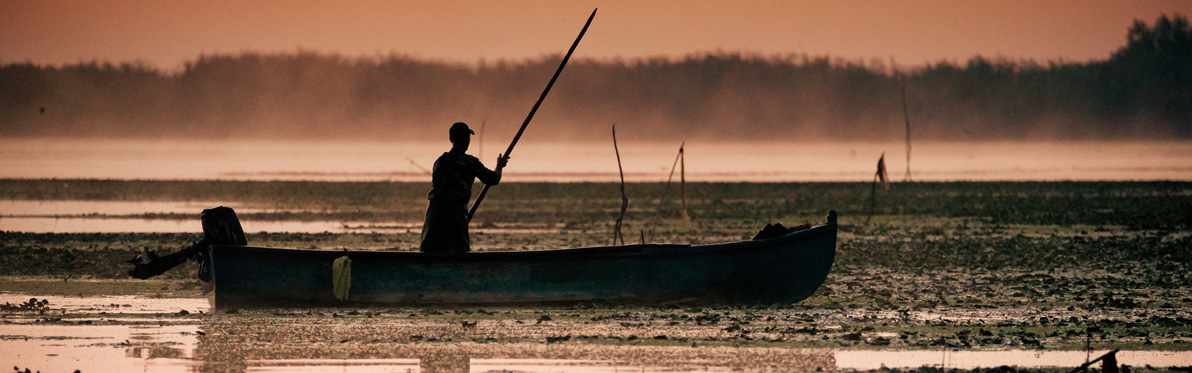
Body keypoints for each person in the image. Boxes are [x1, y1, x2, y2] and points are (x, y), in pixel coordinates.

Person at [420, 122, 507, 253]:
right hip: (455, 214)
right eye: (467, 138)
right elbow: (493, 179)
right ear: (466, 140)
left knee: (430, 253)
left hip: (434, 213)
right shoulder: (469, 162)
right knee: (459, 253)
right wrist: (500, 165)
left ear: (451, 139)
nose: (468, 141)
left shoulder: (439, 162)